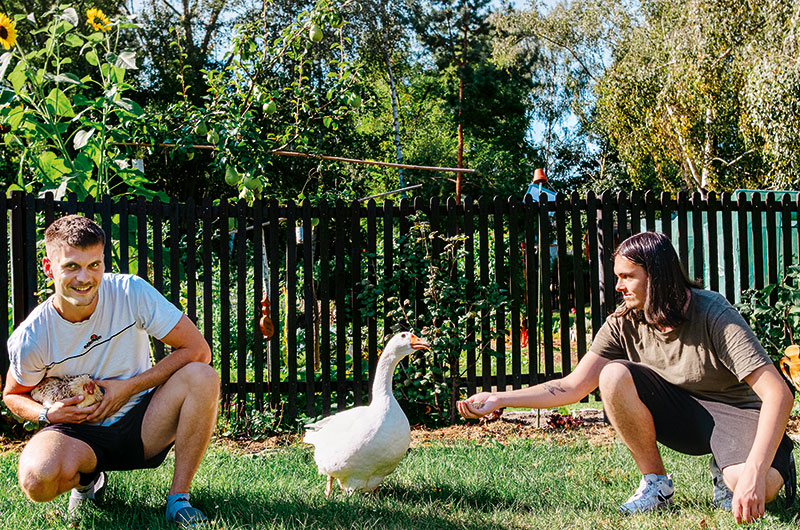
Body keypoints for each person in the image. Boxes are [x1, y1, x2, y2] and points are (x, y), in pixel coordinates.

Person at [458, 231, 795, 524]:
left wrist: (752, 471)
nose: (618, 285)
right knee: (613, 374)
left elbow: (778, 394)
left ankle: (731, 471)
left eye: (627, 276)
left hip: (737, 413)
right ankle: (656, 483)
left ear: (657, 277)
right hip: (683, 414)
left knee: (753, 485)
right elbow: (574, 386)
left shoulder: (712, 312)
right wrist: (501, 399)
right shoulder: (623, 322)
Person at [2, 215, 220, 526]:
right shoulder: (33, 336)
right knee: (37, 481)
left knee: (203, 375)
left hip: (143, 421)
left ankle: (178, 500)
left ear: (104, 262)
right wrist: (47, 416)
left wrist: (128, 388)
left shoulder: (130, 292)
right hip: (76, 431)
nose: (85, 278)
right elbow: (12, 394)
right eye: (72, 266)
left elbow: (198, 350)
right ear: (49, 269)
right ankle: (88, 481)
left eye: (94, 265)